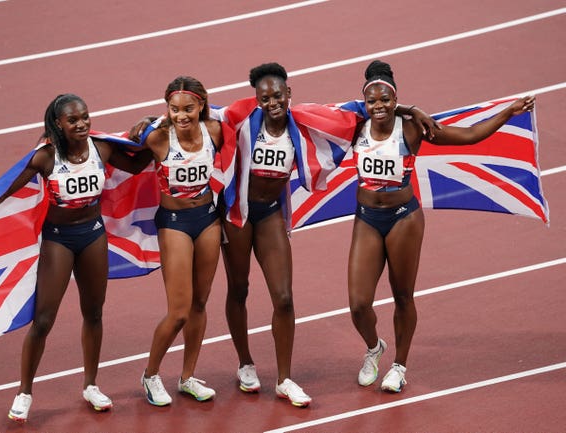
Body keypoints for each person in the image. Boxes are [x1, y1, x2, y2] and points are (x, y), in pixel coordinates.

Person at [217, 62, 439, 407]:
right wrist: (151, 124)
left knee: (285, 298)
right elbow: (204, 114)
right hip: (237, 215)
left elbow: (358, 110)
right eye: (265, 97)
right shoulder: (241, 116)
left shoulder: (303, 120)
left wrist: (410, 108)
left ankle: (284, 379)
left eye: (277, 95)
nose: (272, 102)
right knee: (239, 288)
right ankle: (245, 363)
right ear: (256, 99)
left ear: (288, 93)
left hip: (271, 215)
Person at [0, 93, 152, 422]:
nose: (81, 124)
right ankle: (24, 392)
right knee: (43, 320)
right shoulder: (46, 158)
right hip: (58, 241)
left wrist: (150, 135)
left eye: (85, 117)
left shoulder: (101, 149)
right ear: (58, 124)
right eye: (73, 120)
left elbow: (136, 164)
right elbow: (9, 185)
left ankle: (91, 385)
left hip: (92, 236)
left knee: (93, 313)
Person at [348, 60, 535, 393]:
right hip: (366, 218)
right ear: (364, 103)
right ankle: (374, 348)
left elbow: (469, 137)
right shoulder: (353, 125)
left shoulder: (410, 129)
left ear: (394, 100)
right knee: (359, 304)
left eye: (386, 101)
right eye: (372, 101)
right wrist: (412, 106)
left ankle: (399, 366)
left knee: (402, 296)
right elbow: (317, 115)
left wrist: (507, 113)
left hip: (403, 217)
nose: (378, 107)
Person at [136, 76, 226, 406]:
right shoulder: (158, 138)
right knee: (178, 312)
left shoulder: (214, 132)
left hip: (207, 220)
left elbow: (235, 116)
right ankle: (150, 375)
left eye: (188, 109)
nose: (181, 116)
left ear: (202, 105)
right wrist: (149, 122)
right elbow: (122, 153)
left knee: (200, 304)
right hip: (173, 224)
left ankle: (187, 376)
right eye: (173, 110)